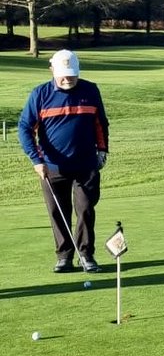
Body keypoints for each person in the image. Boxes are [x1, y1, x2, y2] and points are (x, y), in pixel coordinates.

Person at [18, 50, 109, 273]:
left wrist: (103, 150)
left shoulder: (90, 90)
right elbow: (24, 128)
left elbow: (101, 123)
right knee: (58, 212)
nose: (68, 80)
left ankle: (86, 255)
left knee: (86, 209)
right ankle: (64, 256)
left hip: (86, 164)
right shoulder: (40, 94)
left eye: (72, 75)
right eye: (63, 76)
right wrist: (36, 160)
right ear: (53, 71)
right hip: (51, 166)